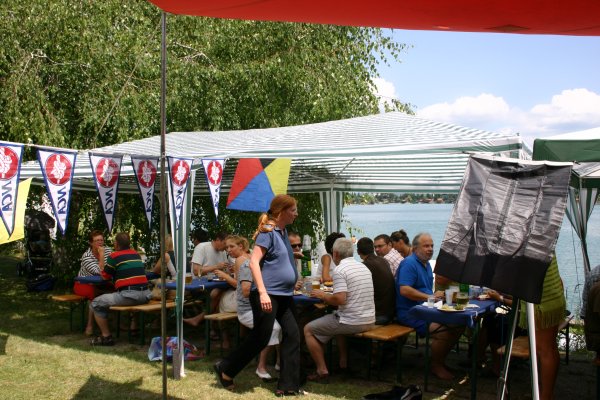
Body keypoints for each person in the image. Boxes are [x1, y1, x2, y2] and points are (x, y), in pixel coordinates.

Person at [214, 194, 302, 396]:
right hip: (267, 293)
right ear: (281, 212)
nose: (296, 214)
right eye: (293, 210)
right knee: (261, 338)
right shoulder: (267, 232)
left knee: (293, 334)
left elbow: (275, 258)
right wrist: (262, 293)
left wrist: (291, 256)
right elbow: (254, 262)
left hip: (284, 294)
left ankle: (288, 385)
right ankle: (226, 368)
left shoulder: (282, 231)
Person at [304, 238, 375, 382]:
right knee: (333, 317)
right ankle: (342, 363)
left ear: (335, 254)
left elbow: (340, 300)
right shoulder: (363, 267)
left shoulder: (340, 270)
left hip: (352, 321)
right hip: (370, 319)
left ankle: (321, 370)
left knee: (308, 329)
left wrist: (323, 295)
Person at [395, 232, 462, 380]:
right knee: (444, 331)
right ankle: (436, 366)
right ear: (415, 248)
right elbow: (404, 290)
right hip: (411, 313)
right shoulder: (409, 264)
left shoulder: (425, 264)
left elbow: (425, 291)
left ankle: (440, 361)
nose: (430, 249)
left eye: (431, 245)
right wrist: (430, 297)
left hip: (427, 309)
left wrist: (436, 296)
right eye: (426, 246)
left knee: (459, 324)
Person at [89, 232, 151, 346]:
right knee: (116, 297)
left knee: (96, 302)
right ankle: (133, 328)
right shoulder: (136, 254)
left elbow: (104, 276)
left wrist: (102, 255)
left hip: (130, 295)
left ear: (116, 244)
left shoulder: (114, 256)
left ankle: (106, 336)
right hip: (146, 295)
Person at [234, 235, 282, 381]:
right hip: (248, 310)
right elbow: (246, 291)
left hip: (265, 308)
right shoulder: (248, 265)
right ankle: (261, 367)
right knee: (273, 328)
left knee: (287, 324)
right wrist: (265, 291)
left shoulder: (268, 266)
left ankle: (280, 361)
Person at [518, 254, 566, 400]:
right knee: (546, 348)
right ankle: (544, 392)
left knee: (545, 350)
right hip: (548, 293)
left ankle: (545, 396)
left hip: (542, 299)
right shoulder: (542, 240)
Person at [185, 231, 230, 330]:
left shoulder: (222, 252)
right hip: (200, 285)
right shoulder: (202, 247)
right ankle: (213, 329)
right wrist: (216, 267)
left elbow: (225, 270)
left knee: (220, 294)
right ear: (218, 240)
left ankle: (206, 325)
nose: (226, 248)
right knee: (217, 294)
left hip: (216, 284)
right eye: (225, 244)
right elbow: (196, 271)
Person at [74, 230, 113, 336]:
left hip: (102, 283)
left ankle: (119, 322)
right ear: (91, 243)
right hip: (83, 284)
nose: (100, 242)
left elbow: (114, 266)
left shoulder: (108, 251)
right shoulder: (87, 256)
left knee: (119, 289)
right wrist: (101, 254)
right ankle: (90, 325)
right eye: (97, 241)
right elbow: (100, 272)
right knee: (94, 294)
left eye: (101, 240)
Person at [356, 237, 396, 325]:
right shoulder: (383, 260)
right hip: (391, 312)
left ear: (358, 252)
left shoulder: (364, 266)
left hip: (379, 315)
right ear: (373, 249)